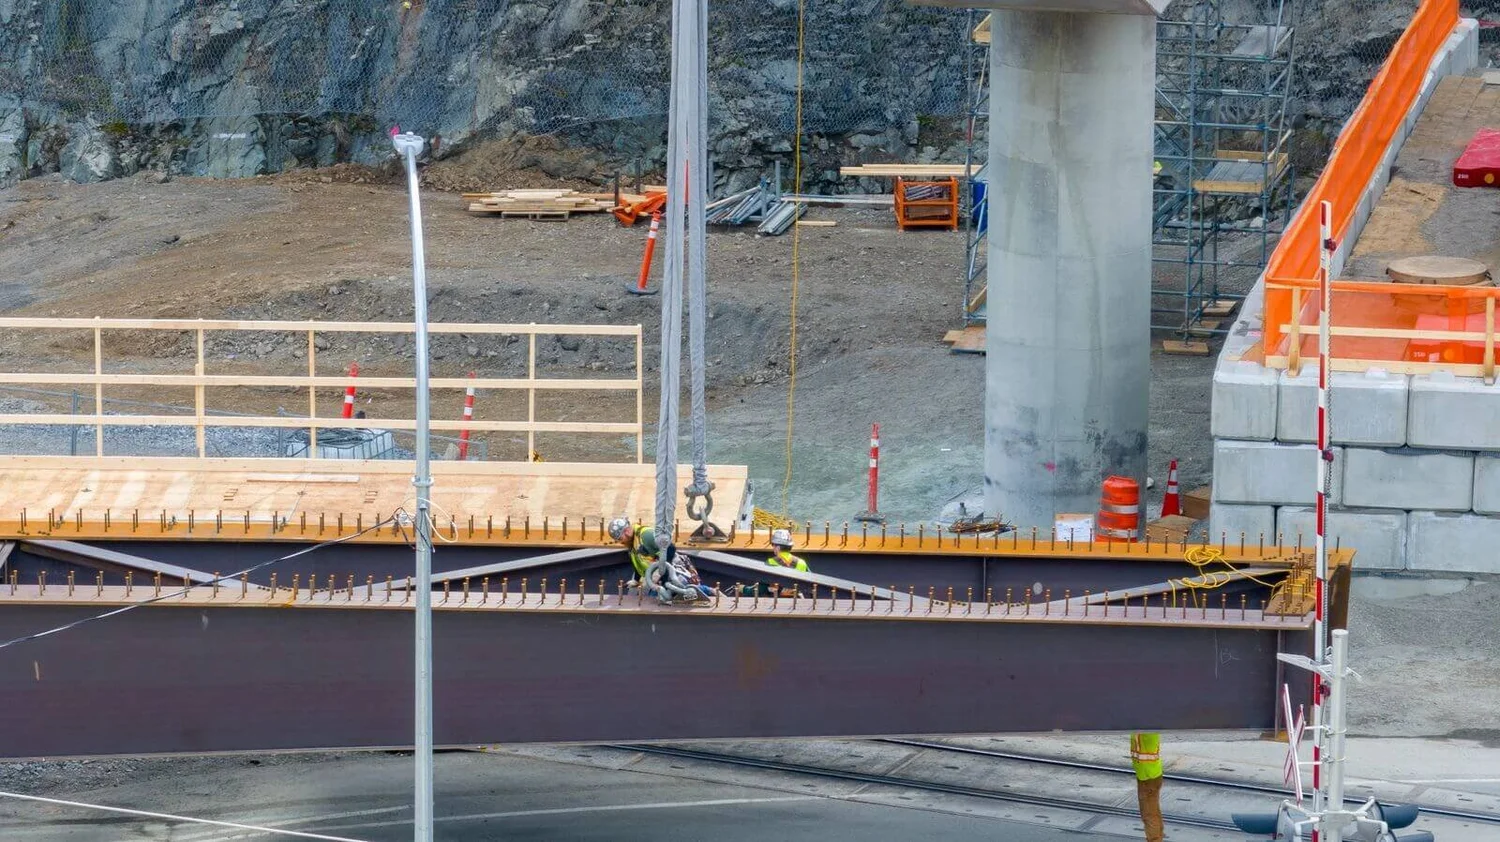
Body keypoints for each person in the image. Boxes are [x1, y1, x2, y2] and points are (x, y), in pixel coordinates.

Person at [607, 517, 712, 601]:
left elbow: (670, 548)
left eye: (621, 537)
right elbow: (637, 561)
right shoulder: (632, 542)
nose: (622, 540)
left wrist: (663, 576)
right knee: (651, 597)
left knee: (659, 596)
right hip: (656, 575)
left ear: (628, 529)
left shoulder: (646, 536)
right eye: (620, 539)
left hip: (673, 569)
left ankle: (709, 590)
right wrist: (636, 580)